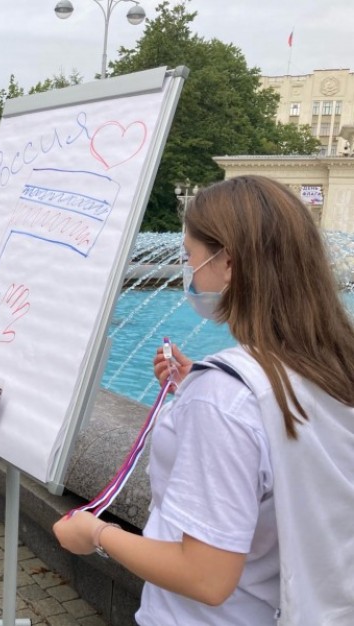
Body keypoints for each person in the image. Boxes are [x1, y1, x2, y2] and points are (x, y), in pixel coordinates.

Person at [53, 175, 354, 625]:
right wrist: (202, 384)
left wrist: (96, 533)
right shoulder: (331, 364)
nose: (187, 271)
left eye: (190, 256)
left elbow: (206, 577)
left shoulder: (226, 396)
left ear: (227, 263)